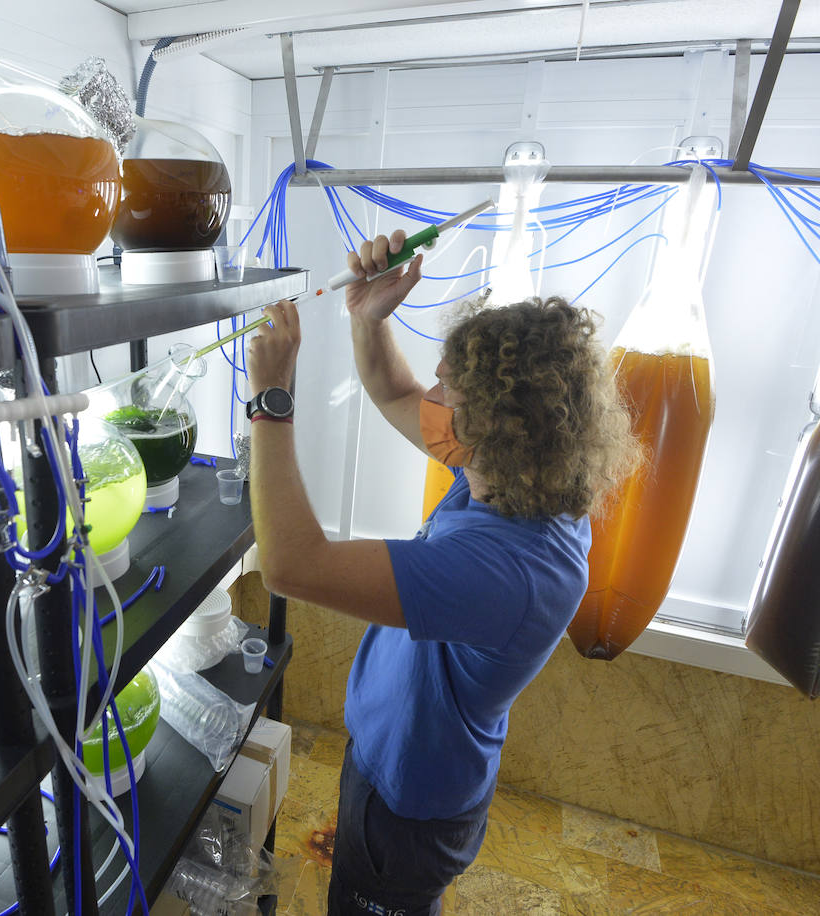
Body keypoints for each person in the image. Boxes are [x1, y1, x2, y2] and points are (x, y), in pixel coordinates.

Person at [244, 230, 639, 915]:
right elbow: (394, 391)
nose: (431, 393)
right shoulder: (512, 483)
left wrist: (270, 398)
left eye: (448, 389)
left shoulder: (505, 570)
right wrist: (368, 318)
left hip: (410, 812)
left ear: (489, 427)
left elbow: (288, 565)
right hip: (401, 773)